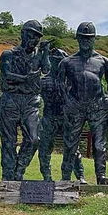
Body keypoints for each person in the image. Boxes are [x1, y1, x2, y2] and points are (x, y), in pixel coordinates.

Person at [57, 22, 108, 185]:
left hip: (97, 106)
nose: (86, 41)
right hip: (75, 106)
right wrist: (66, 101)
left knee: (99, 144)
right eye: (83, 38)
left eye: (89, 38)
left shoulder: (103, 61)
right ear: (77, 38)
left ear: (94, 39)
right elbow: (59, 84)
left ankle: (101, 176)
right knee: (70, 143)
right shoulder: (67, 62)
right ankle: (66, 177)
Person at [0, 20, 49, 181]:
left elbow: (46, 69)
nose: (35, 40)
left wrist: (45, 53)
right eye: (32, 36)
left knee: (34, 139)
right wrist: (26, 78)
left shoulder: (38, 55)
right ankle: (8, 177)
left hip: (30, 102)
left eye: (37, 38)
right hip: (10, 100)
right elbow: (6, 76)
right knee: (9, 141)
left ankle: (19, 169)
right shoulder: (8, 54)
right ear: (23, 34)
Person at [38, 48, 86, 183]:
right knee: (44, 148)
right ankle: (47, 177)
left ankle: (80, 176)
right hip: (49, 118)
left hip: (66, 118)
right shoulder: (43, 81)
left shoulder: (71, 82)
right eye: (56, 60)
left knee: (73, 149)